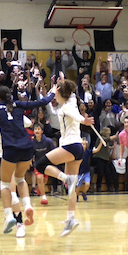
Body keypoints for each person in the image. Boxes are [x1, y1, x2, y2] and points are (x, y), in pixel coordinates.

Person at [0, 80, 58, 234]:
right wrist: (52, 93)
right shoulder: (0, 113)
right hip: (3, 156)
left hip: (8, 154)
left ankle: (17, 223)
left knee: (10, 190)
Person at [34, 72, 94, 236]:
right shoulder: (72, 100)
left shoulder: (67, 107)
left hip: (70, 146)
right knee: (72, 188)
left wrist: (84, 120)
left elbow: (76, 115)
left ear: (60, 92)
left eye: (55, 92)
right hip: (78, 149)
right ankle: (70, 219)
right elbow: (72, 91)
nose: (53, 95)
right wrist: (61, 79)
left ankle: (64, 178)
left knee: (40, 165)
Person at [32, 123, 55, 204]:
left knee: (44, 181)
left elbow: (54, 152)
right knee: (39, 179)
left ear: (42, 131)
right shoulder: (32, 143)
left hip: (46, 164)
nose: (37, 130)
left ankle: (40, 189)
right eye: (35, 129)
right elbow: (30, 154)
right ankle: (44, 197)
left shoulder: (48, 141)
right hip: (37, 164)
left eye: (38, 129)